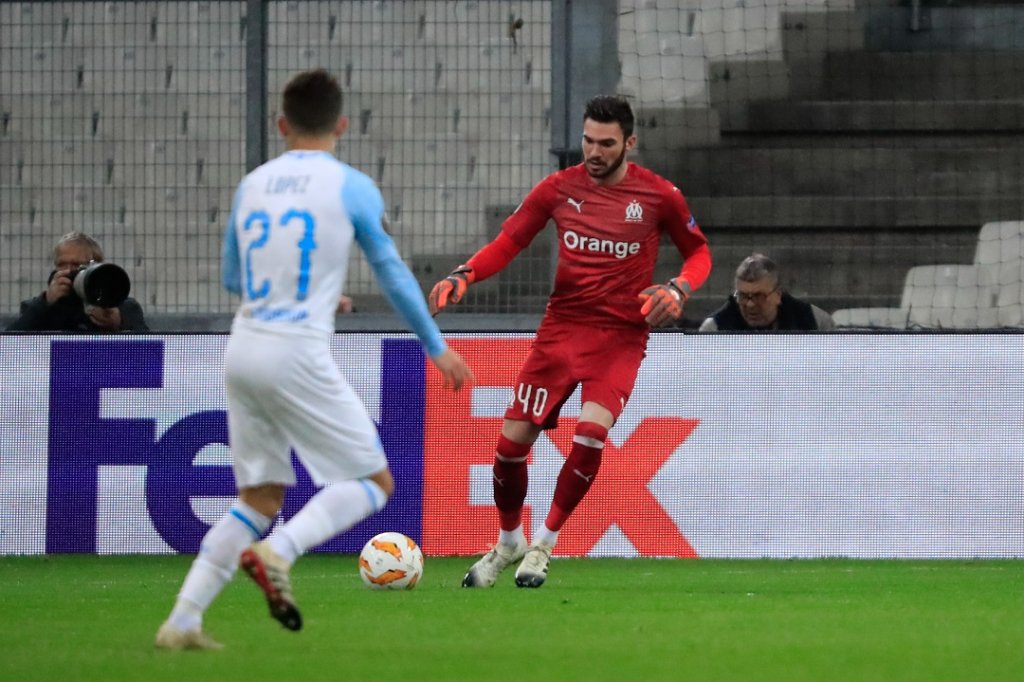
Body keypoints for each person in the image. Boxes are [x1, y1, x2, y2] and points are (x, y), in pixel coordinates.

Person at [155, 69, 474, 650]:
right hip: (295, 350)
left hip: (244, 347)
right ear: (342, 125)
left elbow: (233, 276)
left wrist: (315, 291)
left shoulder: (251, 185)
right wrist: (437, 346)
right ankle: (279, 553)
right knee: (373, 482)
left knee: (259, 498)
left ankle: (183, 620)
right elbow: (394, 273)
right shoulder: (350, 185)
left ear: (281, 125)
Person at [429, 94, 712, 589]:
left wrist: (677, 287)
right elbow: (510, 240)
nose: (595, 151)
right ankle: (509, 540)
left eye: (606, 143)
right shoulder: (558, 189)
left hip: (621, 337)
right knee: (509, 449)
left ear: (630, 143)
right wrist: (465, 274)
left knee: (590, 435)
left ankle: (544, 544)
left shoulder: (660, 196)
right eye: (588, 140)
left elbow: (699, 254)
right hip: (561, 331)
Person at [6, 232, 148, 332]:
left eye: (76, 265)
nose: (68, 270)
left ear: (96, 266)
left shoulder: (123, 308)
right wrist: (45, 303)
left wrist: (120, 323)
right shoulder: (38, 307)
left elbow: (151, 352)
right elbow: (9, 346)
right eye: (61, 264)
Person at [698, 253, 835, 332]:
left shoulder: (815, 322)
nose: (750, 304)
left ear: (778, 294)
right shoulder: (714, 329)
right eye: (743, 296)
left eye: (759, 296)